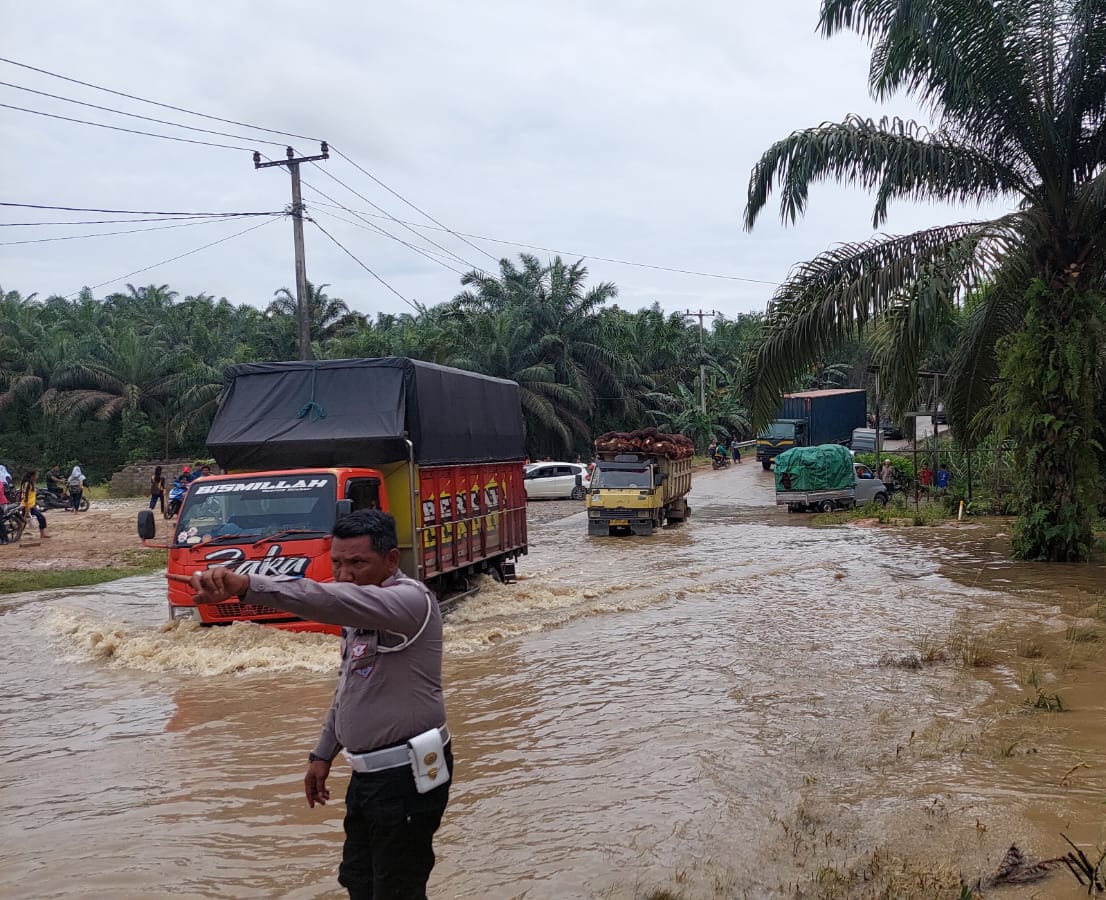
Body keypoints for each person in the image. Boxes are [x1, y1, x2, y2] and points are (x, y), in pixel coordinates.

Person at [188, 509, 450, 899]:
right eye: (337, 563)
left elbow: (322, 597)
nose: (344, 575)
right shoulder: (357, 613)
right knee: (358, 880)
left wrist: (245, 584)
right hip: (367, 777)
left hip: (407, 774)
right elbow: (349, 687)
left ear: (391, 560)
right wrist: (322, 754)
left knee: (397, 889)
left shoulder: (409, 602)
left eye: (357, 563)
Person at [20, 471, 51, 538]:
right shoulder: (27, 484)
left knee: (24, 520)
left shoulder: (30, 483)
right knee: (39, 518)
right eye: (36, 475)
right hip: (27, 505)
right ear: (32, 476)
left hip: (30, 505)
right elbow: (25, 496)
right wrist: (27, 508)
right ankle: (18, 534)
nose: (37, 477)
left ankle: (18, 534)